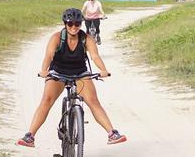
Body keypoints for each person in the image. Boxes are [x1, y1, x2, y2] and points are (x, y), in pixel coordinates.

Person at [17, 8, 126, 148]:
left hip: (80, 73)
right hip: (58, 73)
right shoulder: (57, 37)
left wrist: (103, 70)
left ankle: (112, 133)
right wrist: (44, 70)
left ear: (81, 24)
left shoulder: (86, 38)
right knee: (46, 100)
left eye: (77, 24)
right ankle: (30, 136)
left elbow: (95, 56)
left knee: (93, 101)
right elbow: (49, 56)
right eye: (70, 24)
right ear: (65, 24)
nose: (74, 27)